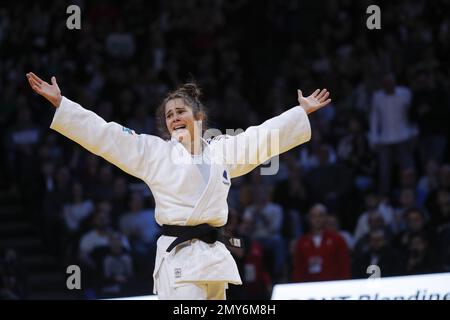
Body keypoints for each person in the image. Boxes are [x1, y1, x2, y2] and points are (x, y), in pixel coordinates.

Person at [26, 72, 331, 300]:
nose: (174, 118)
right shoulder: (154, 153)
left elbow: (261, 137)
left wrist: (300, 112)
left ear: (199, 117)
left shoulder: (221, 150)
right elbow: (107, 136)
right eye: (169, 115)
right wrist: (62, 104)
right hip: (180, 261)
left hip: (213, 259)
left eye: (180, 112)